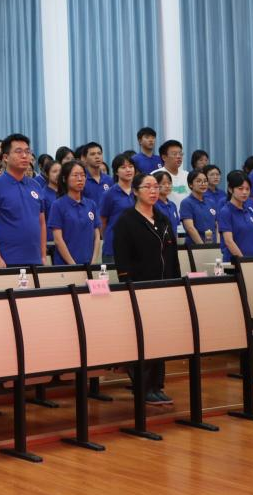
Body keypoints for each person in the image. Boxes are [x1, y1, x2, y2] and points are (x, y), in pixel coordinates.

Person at [112, 171, 179, 405]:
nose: (153, 191)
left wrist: (176, 283)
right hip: (140, 289)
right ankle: (143, 387)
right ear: (135, 191)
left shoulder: (163, 219)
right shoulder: (127, 220)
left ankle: (157, 385)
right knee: (143, 339)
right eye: (148, 187)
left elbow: (172, 255)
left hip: (164, 288)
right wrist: (128, 284)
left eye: (156, 187)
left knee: (161, 338)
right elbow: (122, 258)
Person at [0, 134, 46, 268]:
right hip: (7, 261)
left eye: (27, 152)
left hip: (35, 260)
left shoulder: (36, 186)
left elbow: (41, 222)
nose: (24, 156)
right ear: (5, 157)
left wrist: (43, 255)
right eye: (18, 151)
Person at [49, 162, 99, 265]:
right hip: (66, 266)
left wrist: (93, 263)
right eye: (75, 175)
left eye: (83, 175)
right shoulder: (57, 205)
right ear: (64, 178)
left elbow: (97, 236)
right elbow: (58, 239)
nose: (80, 179)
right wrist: (73, 265)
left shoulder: (91, 204)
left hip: (89, 264)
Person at [99, 153, 137, 263]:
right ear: (116, 171)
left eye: (131, 166)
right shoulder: (109, 194)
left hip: (136, 245)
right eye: (123, 167)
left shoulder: (139, 192)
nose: (128, 170)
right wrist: (108, 238)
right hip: (113, 246)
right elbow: (102, 221)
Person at [219, 170, 253, 262]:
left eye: (247, 189)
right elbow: (229, 241)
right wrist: (243, 261)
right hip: (235, 263)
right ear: (230, 189)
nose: (244, 192)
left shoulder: (250, 210)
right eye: (240, 188)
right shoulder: (226, 211)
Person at [180, 169, 218, 245]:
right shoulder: (186, 203)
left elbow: (217, 225)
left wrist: (217, 244)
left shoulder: (211, 202)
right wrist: (202, 247)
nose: (203, 184)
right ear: (190, 184)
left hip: (213, 246)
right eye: (198, 181)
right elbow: (190, 228)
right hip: (195, 246)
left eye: (205, 181)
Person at [79, 142, 113, 208]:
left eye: (99, 153)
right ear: (84, 158)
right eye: (92, 154)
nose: (97, 157)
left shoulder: (109, 180)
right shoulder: (81, 179)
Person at [152, 171, 182, 244]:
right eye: (163, 183)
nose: (167, 186)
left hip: (173, 244)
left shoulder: (172, 205)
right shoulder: (152, 205)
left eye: (169, 183)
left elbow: (177, 226)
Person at [158, 140, 187, 205]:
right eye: (174, 154)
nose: (179, 157)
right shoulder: (156, 175)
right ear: (164, 157)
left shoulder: (187, 175)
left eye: (180, 154)